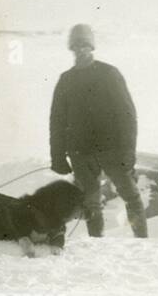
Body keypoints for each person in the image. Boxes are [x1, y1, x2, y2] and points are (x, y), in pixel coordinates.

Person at [49, 24, 149, 237]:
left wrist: (129, 150)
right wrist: (57, 156)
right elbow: (56, 121)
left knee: (131, 196)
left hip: (112, 149)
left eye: (85, 45)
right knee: (91, 203)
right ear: (71, 49)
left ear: (91, 47)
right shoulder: (66, 80)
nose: (80, 50)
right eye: (76, 46)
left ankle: (142, 242)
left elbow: (127, 115)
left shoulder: (109, 74)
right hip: (80, 152)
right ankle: (97, 246)